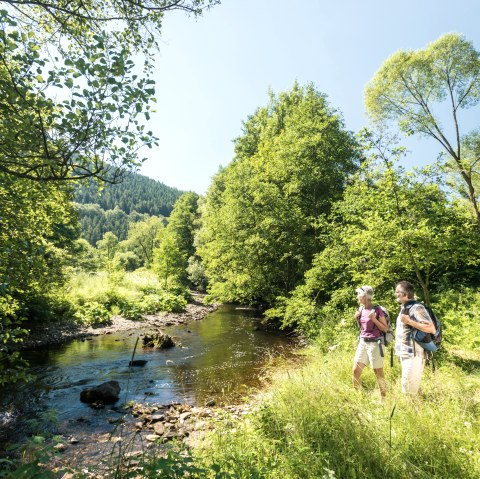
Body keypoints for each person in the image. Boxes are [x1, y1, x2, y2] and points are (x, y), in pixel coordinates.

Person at [394, 281, 436, 396]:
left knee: (408, 390)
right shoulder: (404, 307)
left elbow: (431, 328)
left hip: (414, 354)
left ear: (405, 293)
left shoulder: (416, 307)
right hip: (406, 353)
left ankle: (412, 411)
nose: (395, 294)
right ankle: (414, 409)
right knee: (409, 387)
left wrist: (409, 321)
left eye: (397, 292)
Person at [352, 285, 388, 399]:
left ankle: (384, 399)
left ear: (364, 296)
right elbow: (362, 326)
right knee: (355, 370)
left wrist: (373, 319)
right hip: (363, 342)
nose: (357, 296)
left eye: (358, 294)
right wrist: (356, 318)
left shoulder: (377, 310)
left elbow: (385, 328)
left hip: (375, 344)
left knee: (378, 372)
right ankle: (358, 396)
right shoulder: (360, 309)